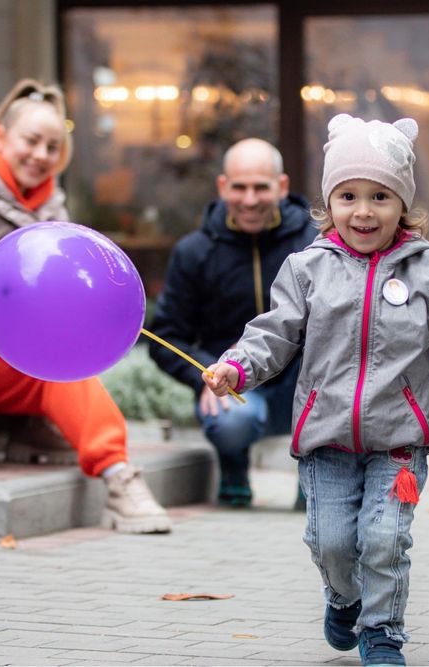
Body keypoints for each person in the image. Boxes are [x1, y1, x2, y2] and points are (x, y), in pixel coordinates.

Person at [203, 114, 429, 666]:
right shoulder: (306, 270)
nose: (364, 211)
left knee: (383, 538)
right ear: (330, 203)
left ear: (403, 204)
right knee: (330, 542)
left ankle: (383, 632)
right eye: (348, 196)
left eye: (380, 196)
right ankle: (343, 598)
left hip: (399, 439)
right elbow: (274, 334)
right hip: (327, 438)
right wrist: (236, 367)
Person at [0, 79, 172, 533]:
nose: (40, 154)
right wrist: (38, 339)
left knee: (63, 364)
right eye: (31, 140)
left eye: (53, 146)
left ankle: (70, 444)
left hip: (5, 354)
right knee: (58, 370)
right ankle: (118, 478)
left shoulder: (52, 211)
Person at [148, 138, 317, 508]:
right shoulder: (194, 252)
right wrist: (203, 376)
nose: (250, 199)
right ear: (223, 186)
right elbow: (165, 337)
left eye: (261, 187)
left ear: (282, 187)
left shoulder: (315, 245)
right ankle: (233, 466)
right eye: (240, 187)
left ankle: (318, 479)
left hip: (303, 385)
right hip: (234, 387)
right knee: (232, 421)